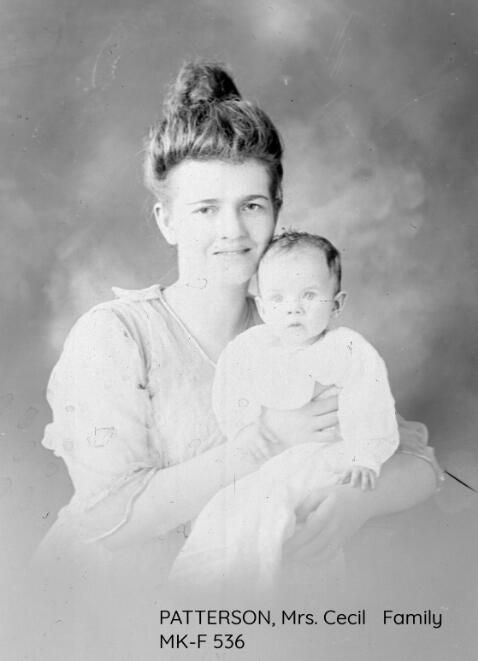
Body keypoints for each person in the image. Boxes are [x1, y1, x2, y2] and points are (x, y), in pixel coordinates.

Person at [36, 61, 441, 601]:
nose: (232, 230)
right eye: (206, 209)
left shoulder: (299, 332)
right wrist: (268, 439)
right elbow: (107, 519)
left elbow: (419, 461)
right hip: (104, 606)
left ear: (277, 210)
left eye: (251, 205)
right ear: (167, 220)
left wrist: (357, 501)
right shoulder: (116, 336)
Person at [169, 230, 400, 591]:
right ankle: (212, 589)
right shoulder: (251, 348)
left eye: (309, 295)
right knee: (231, 509)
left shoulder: (347, 349)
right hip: (270, 461)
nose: (294, 308)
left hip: (328, 456)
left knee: (287, 513)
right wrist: (244, 427)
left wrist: (364, 456)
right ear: (262, 308)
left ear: (336, 303)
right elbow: (232, 390)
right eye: (278, 298)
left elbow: (370, 401)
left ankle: (273, 592)